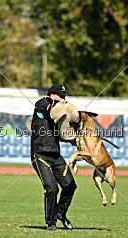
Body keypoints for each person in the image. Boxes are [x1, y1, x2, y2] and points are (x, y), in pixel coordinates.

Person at [30, 84, 77, 230]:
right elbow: (52, 110)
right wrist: (67, 106)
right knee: (52, 188)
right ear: (53, 95)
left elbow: (65, 132)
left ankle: (60, 214)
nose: (64, 99)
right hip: (40, 154)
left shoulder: (60, 114)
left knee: (70, 186)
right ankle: (51, 222)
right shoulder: (42, 103)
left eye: (65, 96)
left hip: (56, 155)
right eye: (61, 96)